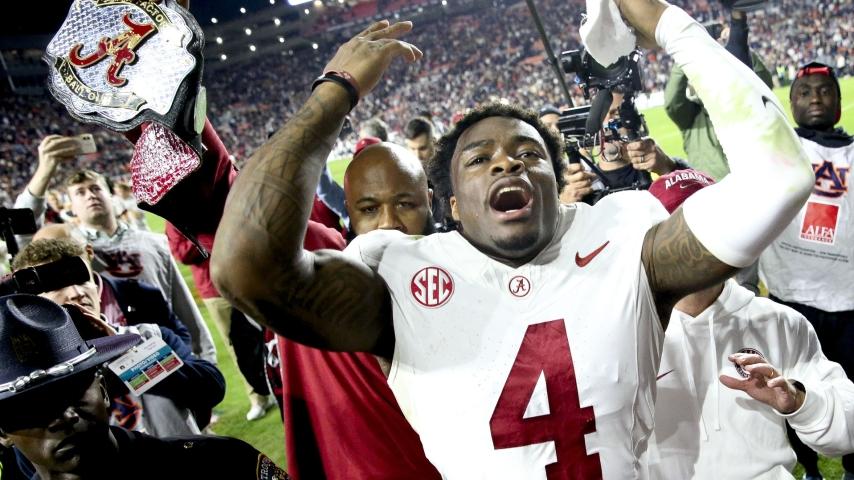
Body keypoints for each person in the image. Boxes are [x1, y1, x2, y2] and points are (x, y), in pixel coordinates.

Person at [212, 1, 814, 476]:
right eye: (479, 159)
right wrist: (335, 90)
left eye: (530, 154)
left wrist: (667, 24)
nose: (507, 163)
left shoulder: (627, 238)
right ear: (452, 206)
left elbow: (780, 180)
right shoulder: (399, 274)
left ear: (558, 184)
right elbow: (244, 268)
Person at [645, 169, 854, 479]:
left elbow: (846, 431)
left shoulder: (779, 321)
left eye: (708, 227)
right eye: (680, 230)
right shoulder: (625, 330)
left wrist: (798, 401)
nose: (695, 246)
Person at [278, 142, 440, 478]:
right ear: (348, 212)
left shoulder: (472, 274)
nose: (388, 223)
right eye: (369, 209)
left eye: (405, 204)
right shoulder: (326, 285)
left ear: (430, 201)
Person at [0, 293, 288, 480]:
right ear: (2, 433)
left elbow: (209, 385)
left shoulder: (221, 464)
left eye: (71, 391)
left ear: (103, 389)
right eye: (33, 408)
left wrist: (129, 356)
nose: (64, 416)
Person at [11, 236, 225, 437]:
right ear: (32, 304)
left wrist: (126, 356)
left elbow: (211, 388)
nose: (77, 292)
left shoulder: (148, 336)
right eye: (57, 285)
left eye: (81, 279)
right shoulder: (30, 377)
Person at [759, 61, 854, 480]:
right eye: (805, 92)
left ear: (839, 102)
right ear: (791, 103)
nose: (816, 97)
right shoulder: (776, 149)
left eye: (825, 90)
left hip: (848, 302)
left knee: (850, 390)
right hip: (791, 299)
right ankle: (809, 468)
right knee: (791, 389)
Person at [16, 168, 217, 364]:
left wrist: (204, 354)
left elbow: (181, 301)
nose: (90, 196)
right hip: (103, 355)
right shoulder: (73, 253)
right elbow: (24, 239)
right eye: (80, 192)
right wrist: (47, 166)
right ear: (71, 207)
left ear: (111, 195)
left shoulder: (154, 242)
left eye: (96, 188)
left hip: (159, 346)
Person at [166, 223, 276, 422]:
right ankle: (259, 397)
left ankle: (281, 384)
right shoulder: (172, 216)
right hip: (213, 287)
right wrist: (210, 236)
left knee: (271, 334)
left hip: (246, 275)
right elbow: (181, 253)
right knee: (237, 347)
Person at [664, 0, 774, 181]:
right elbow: (672, 101)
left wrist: (738, 42)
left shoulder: (741, 103)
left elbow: (764, 85)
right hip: (711, 191)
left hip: (751, 185)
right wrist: (686, 51)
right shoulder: (692, 116)